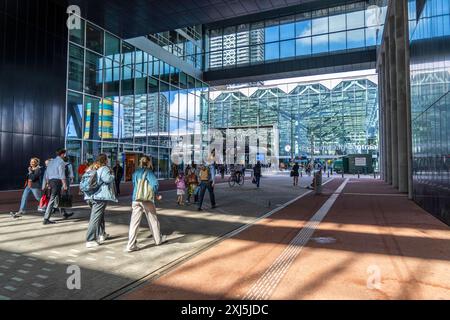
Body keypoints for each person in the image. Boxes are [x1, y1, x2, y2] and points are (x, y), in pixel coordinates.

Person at [125, 156, 166, 252]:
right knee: (153, 220)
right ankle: (158, 240)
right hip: (146, 200)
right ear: (148, 163)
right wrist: (157, 194)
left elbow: (134, 185)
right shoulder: (149, 172)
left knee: (134, 223)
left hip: (136, 199)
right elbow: (155, 184)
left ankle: (130, 245)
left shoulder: (135, 172)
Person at [84, 154, 117, 248]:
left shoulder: (90, 168)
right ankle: (90, 240)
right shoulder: (104, 168)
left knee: (99, 216)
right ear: (105, 160)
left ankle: (102, 234)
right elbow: (107, 179)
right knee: (95, 218)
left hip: (89, 196)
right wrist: (112, 175)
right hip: (99, 197)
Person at [42, 149, 69, 224]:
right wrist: (64, 184)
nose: (65, 155)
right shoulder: (61, 162)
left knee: (58, 198)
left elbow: (47, 173)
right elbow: (62, 174)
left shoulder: (51, 161)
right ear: (62, 154)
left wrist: (47, 183)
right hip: (57, 182)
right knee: (52, 199)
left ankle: (64, 213)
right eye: (64, 154)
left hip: (51, 181)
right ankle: (46, 218)